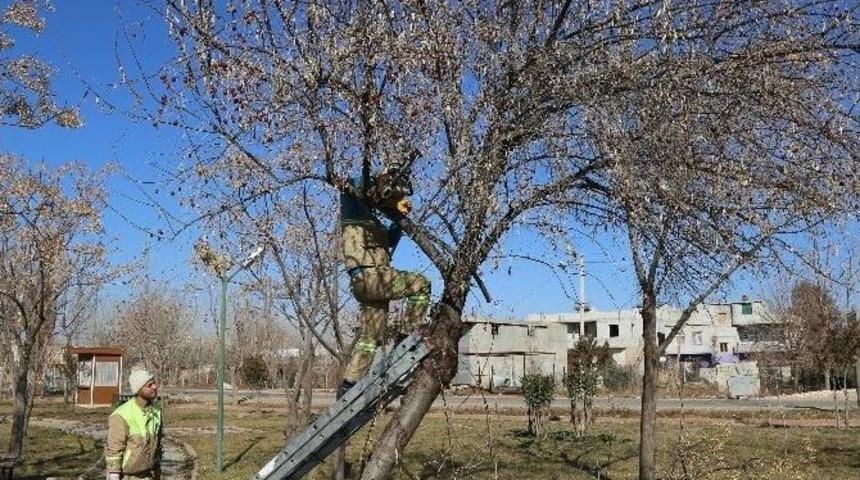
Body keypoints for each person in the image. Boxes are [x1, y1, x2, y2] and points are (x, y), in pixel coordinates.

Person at [338, 162, 431, 395]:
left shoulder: (374, 223)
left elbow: (390, 240)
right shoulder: (353, 207)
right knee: (421, 285)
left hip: (371, 281)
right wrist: (386, 175)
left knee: (370, 336)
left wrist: (399, 218)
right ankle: (406, 343)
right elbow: (356, 182)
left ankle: (349, 383)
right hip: (371, 277)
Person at [105, 367, 163, 480]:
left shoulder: (156, 411)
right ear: (139, 389)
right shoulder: (122, 414)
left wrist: (158, 470)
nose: (155, 387)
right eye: (149, 385)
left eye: (154, 383)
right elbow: (114, 450)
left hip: (148, 474)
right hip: (127, 476)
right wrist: (114, 476)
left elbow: (158, 444)